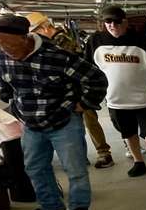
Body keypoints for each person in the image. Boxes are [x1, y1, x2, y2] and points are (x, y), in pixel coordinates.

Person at [0, 14, 107, 210]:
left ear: (25, 38)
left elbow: (95, 78)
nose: (4, 48)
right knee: (34, 167)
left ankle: (79, 208)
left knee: (75, 167)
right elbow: (5, 87)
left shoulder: (57, 55)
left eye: (8, 43)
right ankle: (52, 207)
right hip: (31, 124)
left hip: (63, 120)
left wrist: (82, 104)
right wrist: (14, 106)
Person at [86, 6, 146, 181]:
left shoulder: (141, 40)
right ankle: (138, 162)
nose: (112, 25)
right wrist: (94, 92)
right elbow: (89, 68)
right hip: (115, 99)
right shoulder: (96, 41)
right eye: (108, 21)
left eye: (117, 21)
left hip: (143, 97)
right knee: (127, 132)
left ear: (125, 22)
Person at [27, 11, 114, 168]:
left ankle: (103, 153)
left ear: (45, 27)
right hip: (67, 91)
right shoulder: (56, 41)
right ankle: (82, 156)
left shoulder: (61, 42)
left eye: (35, 31)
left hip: (78, 90)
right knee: (76, 126)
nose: (34, 36)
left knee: (89, 122)